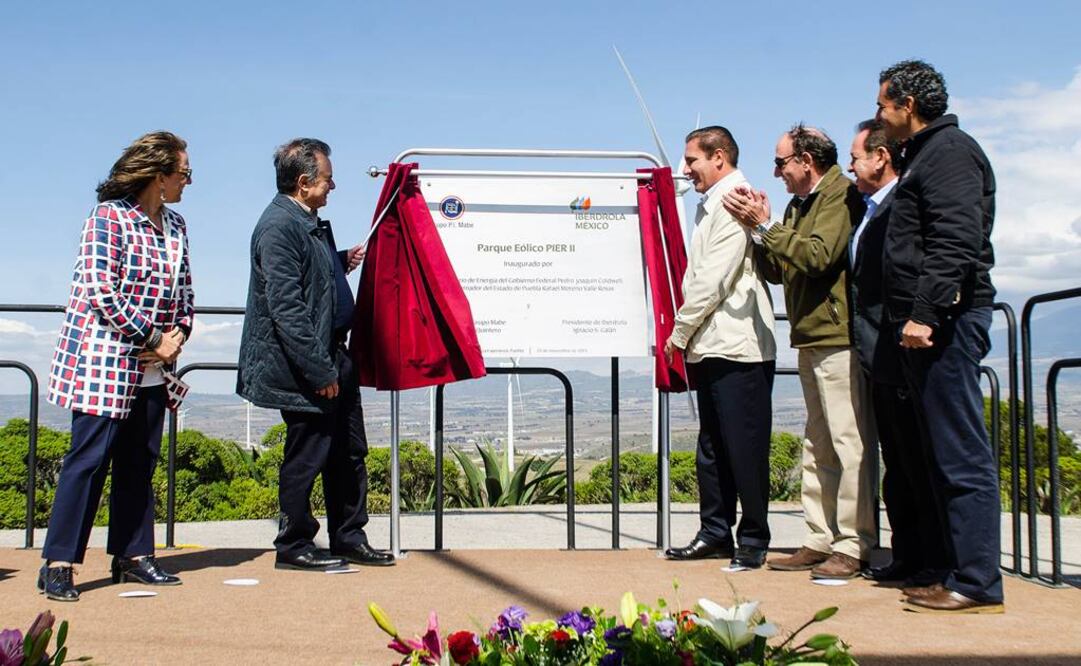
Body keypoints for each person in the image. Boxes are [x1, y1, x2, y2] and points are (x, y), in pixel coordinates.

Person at [40, 131, 194, 601]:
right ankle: (59, 562)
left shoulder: (177, 226)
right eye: (184, 173)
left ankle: (132, 555)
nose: (188, 182)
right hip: (103, 363)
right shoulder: (106, 219)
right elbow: (101, 292)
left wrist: (177, 337)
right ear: (159, 174)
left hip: (152, 367)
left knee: (138, 464)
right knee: (87, 462)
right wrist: (151, 338)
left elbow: (185, 294)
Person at [874, 60, 1003, 613]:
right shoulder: (923, 155)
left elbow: (956, 238)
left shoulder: (950, 152)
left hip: (946, 323)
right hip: (924, 327)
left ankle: (977, 582)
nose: (879, 114)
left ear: (908, 104)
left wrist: (924, 312)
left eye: (883, 104)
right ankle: (953, 569)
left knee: (960, 455)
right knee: (935, 454)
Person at [723, 125, 874, 580]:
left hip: (836, 336)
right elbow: (778, 268)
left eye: (781, 161)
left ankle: (854, 542)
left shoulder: (838, 197)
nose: (777, 171)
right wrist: (757, 230)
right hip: (810, 335)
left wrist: (768, 227)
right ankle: (820, 536)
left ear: (806, 161)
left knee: (849, 441)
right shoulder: (797, 204)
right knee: (819, 442)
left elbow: (819, 256)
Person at [236, 138, 393, 571]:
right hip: (307, 365)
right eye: (328, 179)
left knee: (348, 451)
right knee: (308, 454)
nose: (333, 187)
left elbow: (310, 276)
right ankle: (294, 544)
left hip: (333, 356)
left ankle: (349, 535)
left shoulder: (309, 221)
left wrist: (340, 260)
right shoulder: (278, 227)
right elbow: (287, 308)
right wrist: (320, 369)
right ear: (304, 182)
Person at [662, 126, 777, 569]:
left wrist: (679, 331)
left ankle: (752, 538)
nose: (684, 169)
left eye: (691, 160)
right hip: (712, 343)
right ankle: (715, 531)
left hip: (735, 344)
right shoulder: (713, 204)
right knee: (712, 445)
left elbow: (714, 279)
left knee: (743, 446)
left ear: (719, 158)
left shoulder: (733, 202)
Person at [847, 119, 949, 587]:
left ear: (880, 157)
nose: (850, 165)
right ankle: (908, 554)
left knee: (915, 458)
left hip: (899, 346)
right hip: (878, 352)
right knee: (898, 464)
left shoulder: (896, 208)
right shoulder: (868, 210)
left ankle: (933, 559)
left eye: (855, 157)